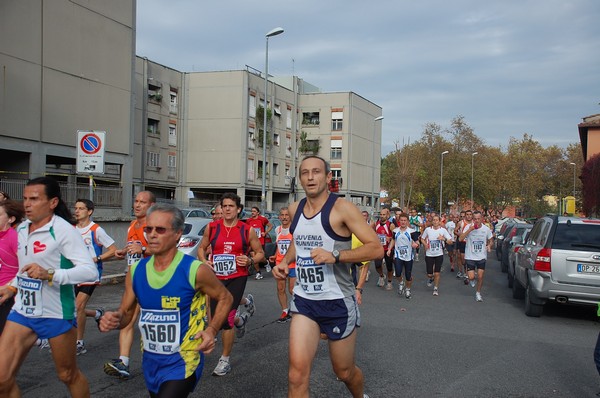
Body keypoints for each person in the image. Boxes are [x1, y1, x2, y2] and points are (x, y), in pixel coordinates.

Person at [272, 155, 383, 398]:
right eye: (305, 173)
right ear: (300, 178)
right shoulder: (294, 209)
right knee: (296, 374)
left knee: (344, 372)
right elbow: (298, 242)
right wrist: (284, 261)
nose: (310, 177)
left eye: (316, 172)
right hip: (304, 300)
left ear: (328, 177)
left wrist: (336, 255)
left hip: (338, 301)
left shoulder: (342, 209)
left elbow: (376, 248)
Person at [99, 203, 233, 397]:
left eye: (160, 230)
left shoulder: (194, 270)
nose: (152, 234)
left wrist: (211, 330)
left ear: (178, 233)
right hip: (151, 361)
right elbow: (126, 315)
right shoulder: (136, 271)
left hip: (184, 359)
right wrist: (114, 318)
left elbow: (225, 297)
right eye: (148, 229)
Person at [0, 176, 98, 397]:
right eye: (25, 198)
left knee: (67, 375)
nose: (27, 204)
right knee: (2, 378)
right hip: (23, 311)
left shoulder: (64, 231)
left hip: (55, 313)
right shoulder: (23, 228)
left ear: (52, 202)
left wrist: (50, 274)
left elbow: (89, 271)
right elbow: (24, 267)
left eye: (34, 199)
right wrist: (13, 287)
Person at [197, 192, 264, 377]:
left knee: (226, 319)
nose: (227, 209)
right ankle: (241, 320)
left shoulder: (246, 230)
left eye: (231, 206)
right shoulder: (212, 227)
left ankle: (224, 360)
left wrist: (249, 261)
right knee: (214, 320)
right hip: (215, 278)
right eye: (224, 206)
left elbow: (260, 253)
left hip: (237, 277)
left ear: (238, 209)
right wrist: (204, 261)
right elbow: (201, 248)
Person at [104, 190, 156, 379]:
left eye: (142, 202)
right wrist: (124, 251)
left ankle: (159, 358)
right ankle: (123, 362)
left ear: (151, 206)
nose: (137, 205)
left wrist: (143, 248)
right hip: (132, 276)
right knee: (127, 316)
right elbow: (133, 249)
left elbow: (165, 249)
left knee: (149, 321)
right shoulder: (132, 225)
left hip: (152, 278)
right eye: (136, 201)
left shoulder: (154, 226)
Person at [73, 199, 116, 355]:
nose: (77, 211)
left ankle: (79, 343)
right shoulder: (71, 229)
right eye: (76, 208)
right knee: (72, 308)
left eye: (81, 208)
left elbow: (112, 249)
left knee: (78, 307)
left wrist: (97, 259)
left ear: (89, 211)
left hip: (90, 273)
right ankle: (96, 313)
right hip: (73, 273)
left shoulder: (96, 230)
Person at [0, 199, 24, 333]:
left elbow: (25, 267)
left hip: (8, 295)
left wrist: (11, 286)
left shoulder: (14, 238)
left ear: (11, 219)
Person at [458, 210, 493, 302]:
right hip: (470, 256)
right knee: (471, 277)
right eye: (475, 219)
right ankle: (472, 280)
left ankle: (478, 293)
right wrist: (470, 229)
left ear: (482, 219)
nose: (476, 221)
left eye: (478, 219)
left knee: (480, 276)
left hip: (481, 256)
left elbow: (491, 239)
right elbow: (460, 238)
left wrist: (489, 245)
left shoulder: (486, 229)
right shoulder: (468, 227)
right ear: (472, 219)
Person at [269, 207, 296, 323]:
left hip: (293, 263)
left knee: (292, 289)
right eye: (282, 215)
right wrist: (275, 255)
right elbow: (279, 247)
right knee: (280, 288)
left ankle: (298, 309)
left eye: (287, 215)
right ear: (279, 217)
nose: (284, 217)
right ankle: (285, 311)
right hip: (280, 263)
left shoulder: (294, 230)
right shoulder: (277, 230)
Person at [387, 212, 419, 299]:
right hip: (398, 255)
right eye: (401, 220)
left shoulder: (412, 232)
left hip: (408, 257)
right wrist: (389, 249)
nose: (403, 222)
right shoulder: (395, 231)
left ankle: (408, 289)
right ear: (399, 221)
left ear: (407, 221)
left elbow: (417, 242)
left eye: (405, 220)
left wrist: (415, 245)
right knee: (397, 273)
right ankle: (401, 282)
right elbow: (393, 240)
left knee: (408, 275)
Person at [420, 214, 453, 296]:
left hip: (439, 254)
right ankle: (430, 278)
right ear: (432, 221)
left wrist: (443, 239)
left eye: (436, 220)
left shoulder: (443, 230)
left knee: (437, 273)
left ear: (439, 221)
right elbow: (422, 238)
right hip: (429, 254)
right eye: (433, 220)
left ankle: (435, 288)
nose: (435, 221)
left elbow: (451, 241)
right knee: (429, 274)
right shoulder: (428, 230)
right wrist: (425, 244)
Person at [245, 206, 272, 280]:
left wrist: (265, 232)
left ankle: (266, 262)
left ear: (258, 212)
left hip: (260, 241)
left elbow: (270, 226)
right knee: (254, 257)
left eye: (254, 211)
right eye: (252, 211)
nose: (252, 212)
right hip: (252, 242)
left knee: (261, 257)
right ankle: (258, 272)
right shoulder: (249, 221)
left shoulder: (262, 219)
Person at [372, 208, 396, 290]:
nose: (382, 216)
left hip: (388, 249)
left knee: (389, 267)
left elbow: (395, 236)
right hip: (378, 248)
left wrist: (389, 237)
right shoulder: (377, 223)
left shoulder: (391, 225)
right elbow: (373, 234)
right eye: (381, 214)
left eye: (384, 215)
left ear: (387, 215)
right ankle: (381, 276)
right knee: (377, 265)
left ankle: (389, 282)